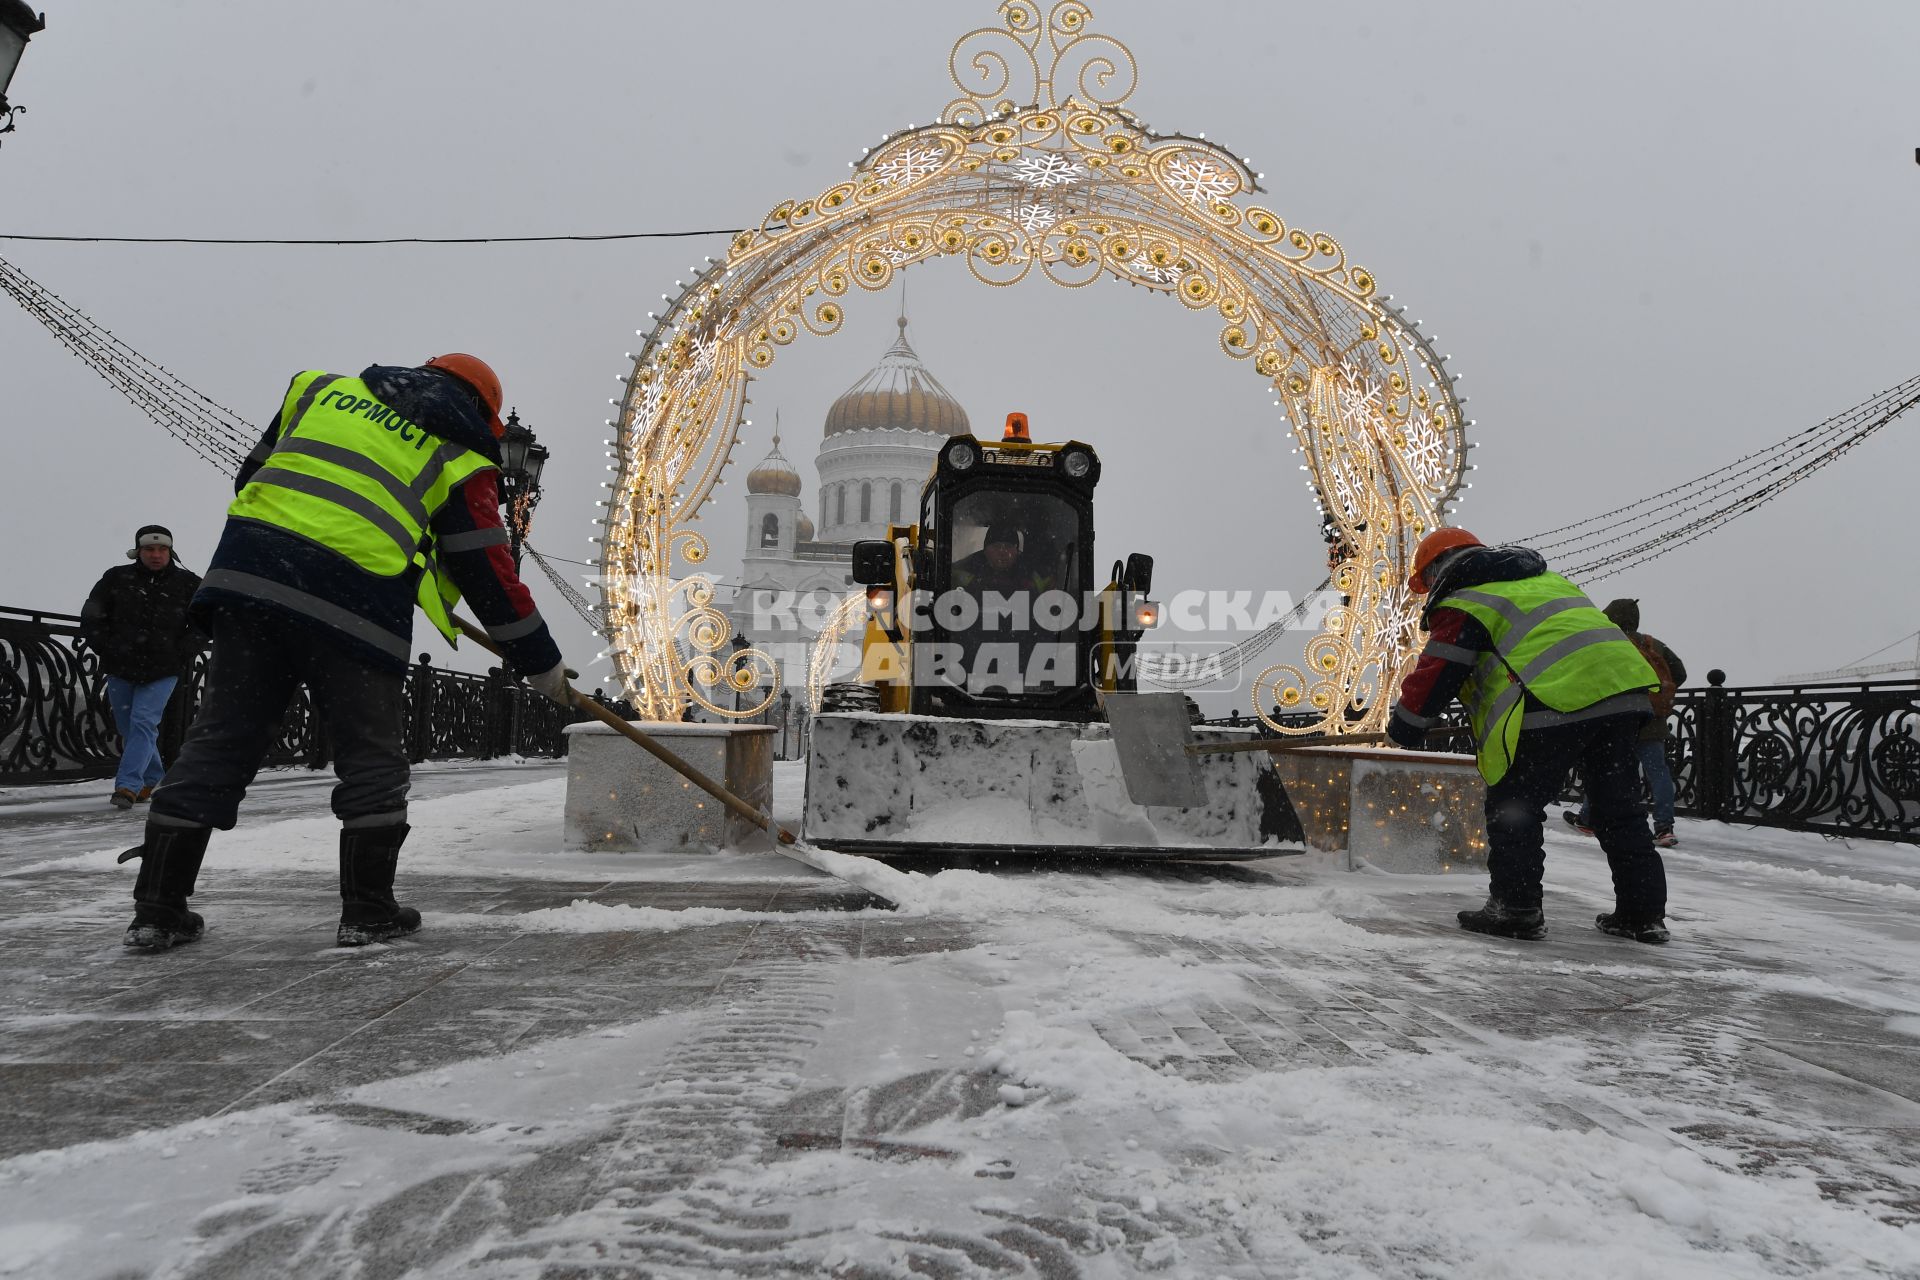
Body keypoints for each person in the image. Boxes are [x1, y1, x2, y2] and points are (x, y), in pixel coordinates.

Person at [120, 355, 572, 952]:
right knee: (371, 758)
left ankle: (157, 910)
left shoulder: (319, 390)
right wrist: (542, 662)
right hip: (353, 608)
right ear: (485, 414)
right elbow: (488, 572)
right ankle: (367, 911)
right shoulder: (460, 455)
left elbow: (252, 475)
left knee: (219, 744)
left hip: (249, 584)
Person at [1386, 529, 1672, 944]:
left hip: (1555, 699)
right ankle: (1642, 914)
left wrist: (1407, 725)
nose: (1429, 590)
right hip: (1622, 695)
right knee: (1619, 811)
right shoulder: (1546, 581)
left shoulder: (1468, 599)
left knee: (1515, 808)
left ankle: (1516, 909)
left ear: (1435, 570)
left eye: (1426, 582)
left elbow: (1441, 669)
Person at [80, 526, 204, 809]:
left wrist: (182, 650)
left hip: (163, 668)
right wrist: (104, 645)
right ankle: (153, 776)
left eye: (162, 549)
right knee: (130, 727)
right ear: (139, 551)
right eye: (149, 549)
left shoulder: (188, 583)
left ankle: (127, 786)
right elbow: (92, 614)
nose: (156, 555)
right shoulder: (116, 577)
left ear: (171, 551)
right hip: (120, 665)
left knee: (143, 722)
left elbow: (203, 623)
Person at [1566, 599, 1686, 846]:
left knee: (1604, 769)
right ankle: (1664, 827)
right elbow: (1680, 673)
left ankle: (1588, 819)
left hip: (1619, 719)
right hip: (1652, 719)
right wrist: (1657, 694)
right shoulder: (1652, 644)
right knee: (1658, 773)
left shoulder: (1609, 642)